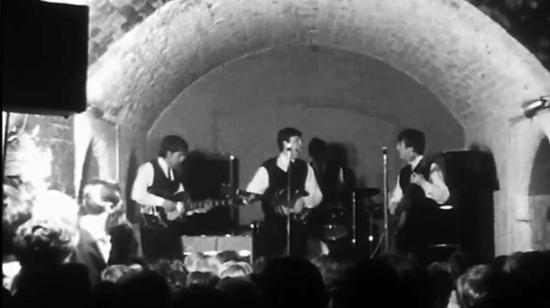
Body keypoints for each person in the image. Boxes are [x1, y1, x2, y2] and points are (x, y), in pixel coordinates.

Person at [246, 127, 322, 257]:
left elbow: (317, 195)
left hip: (298, 228)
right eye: (297, 141)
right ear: (285, 144)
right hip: (274, 229)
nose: (301, 145)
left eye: (301, 141)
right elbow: (251, 192)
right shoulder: (268, 168)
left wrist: (303, 202)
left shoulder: (305, 167)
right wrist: (250, 197)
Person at [131, 135, 209, 262]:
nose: (182, 160)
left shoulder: (176, 174)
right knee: (156, 264)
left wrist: (197, 208)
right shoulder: (148, 169)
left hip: (172, 230)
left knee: (175, 262)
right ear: (168, 153)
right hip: (153, 229)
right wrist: (162, 202)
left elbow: (181, 204)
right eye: (179, 156)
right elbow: (137, 195)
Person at [388, 128, 449, 265]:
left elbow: (443, 196)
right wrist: (393, 204)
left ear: (411, 148)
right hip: (406, 232)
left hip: (425, 230)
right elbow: (397, 196)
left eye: (400, 144)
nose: (398, 148)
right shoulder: (404, 172)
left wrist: (423, 183)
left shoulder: (431, 167)